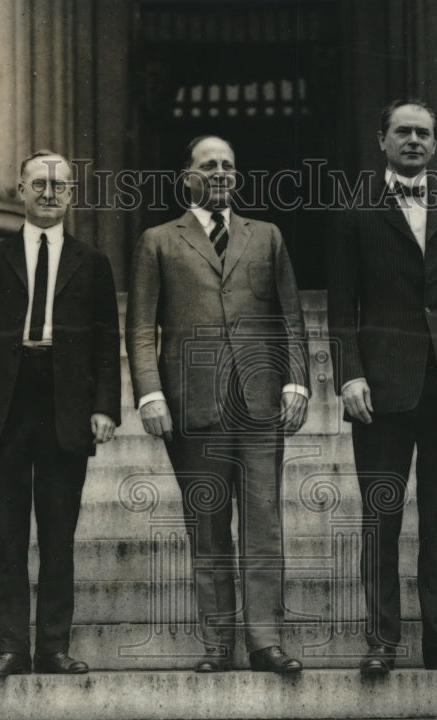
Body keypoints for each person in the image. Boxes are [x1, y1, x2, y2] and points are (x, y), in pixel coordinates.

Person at [125, 135, 309, 674]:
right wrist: (149, 392)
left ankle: (265, 641)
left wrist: (296, 384)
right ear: (188, 177)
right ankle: (217, 643)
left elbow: (289, 316)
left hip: (258, 405)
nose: (222, 173)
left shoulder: (267, 236)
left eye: (229, 165)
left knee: (263, 520)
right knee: (207, 525)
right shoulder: (159, 240)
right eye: (210, 165)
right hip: (192, 406)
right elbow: (140, 326)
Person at [326, 99, 437, 675]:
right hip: (380, 387)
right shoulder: (355, 209)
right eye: (403, 131)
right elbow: (340, 305)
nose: (414, 141)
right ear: (382, 139)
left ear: (436, 144)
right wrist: (348, 373)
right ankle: (382, 642)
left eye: (424, 133)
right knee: (382, 516)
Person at [0, 150, 120, 677]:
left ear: (71, 195)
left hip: (65, 403)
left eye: (60, 186)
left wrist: (105, 407)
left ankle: (52, 648)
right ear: (20, 191)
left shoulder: (91, 262)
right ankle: (9, 648)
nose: (49, 193)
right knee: (6, 534)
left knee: (57, 533)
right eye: (39, 184)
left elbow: (105, 343)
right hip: (6, 399)